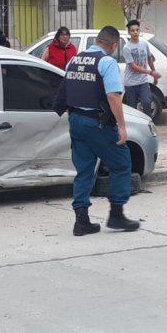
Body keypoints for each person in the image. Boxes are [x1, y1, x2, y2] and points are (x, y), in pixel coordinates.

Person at [54, 26, 140, 236]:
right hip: (97, 123)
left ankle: (81, 221)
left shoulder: (74, 60)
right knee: (121, 164)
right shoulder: (106, 62)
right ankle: (117, 215)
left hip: (76, 121)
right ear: (112, 44)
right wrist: (122, 126)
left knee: (84, 170)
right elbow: (113, 97)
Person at [122, 20, 160, 117]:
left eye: (137, 30)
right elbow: (134, 67)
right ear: (129, 32)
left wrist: (154, 72)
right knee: (132, 108)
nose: (135, 32)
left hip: (143, 82)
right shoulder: (127, 48)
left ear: (139, 31)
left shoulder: (144, 44)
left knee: (147, 103)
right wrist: (150, 72)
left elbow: (149, 59)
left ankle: (148, 125)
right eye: (132, 30)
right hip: (130, 83)